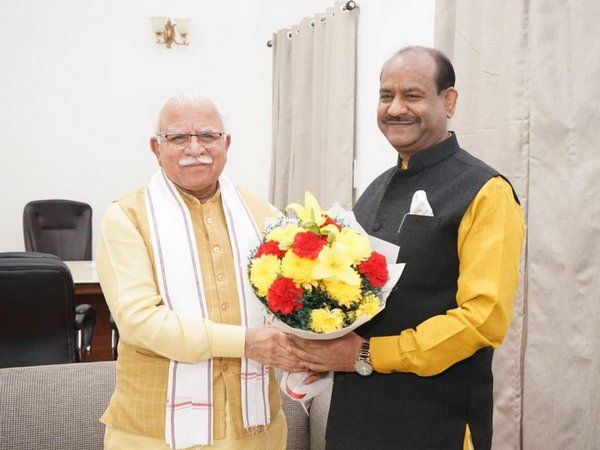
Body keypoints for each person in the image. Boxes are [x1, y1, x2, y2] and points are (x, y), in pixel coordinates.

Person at [292, 46, 525, 449]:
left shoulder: (486, 191)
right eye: (386, 96)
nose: (396, 108)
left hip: (438, 421)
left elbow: (481, 318)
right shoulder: (376, 189)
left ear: (448, 101)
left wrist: (368, 354)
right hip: (356, 419)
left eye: (412, 95)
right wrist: (318, 350)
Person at [96, 92, 301, 449]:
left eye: (207, 135)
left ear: (226, 143)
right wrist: (246, 342)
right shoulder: (126, 217)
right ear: (155, 148)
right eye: (178, 137)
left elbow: (289, 305)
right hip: (155, 431)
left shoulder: (264, 214)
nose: (195, 147)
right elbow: (139, 321)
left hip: (255, 428)